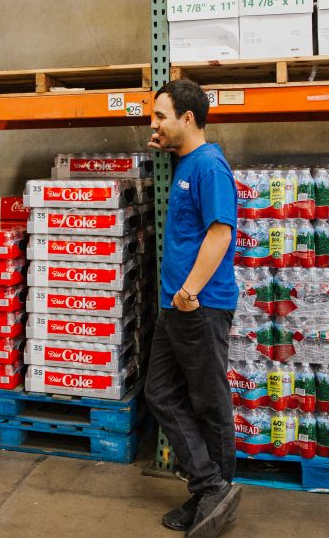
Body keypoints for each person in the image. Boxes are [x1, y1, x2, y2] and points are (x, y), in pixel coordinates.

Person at [144, 79, 241, 538]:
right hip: (177, 305)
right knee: (160, 393)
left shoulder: (209, 166)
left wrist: (189, 292)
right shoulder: (187, 162)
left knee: (208, 401)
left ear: (188, 118)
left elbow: (220, 232)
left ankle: (214, 495)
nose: (153, 124)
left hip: (199, 305)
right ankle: (210, 488)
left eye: (160, 116)